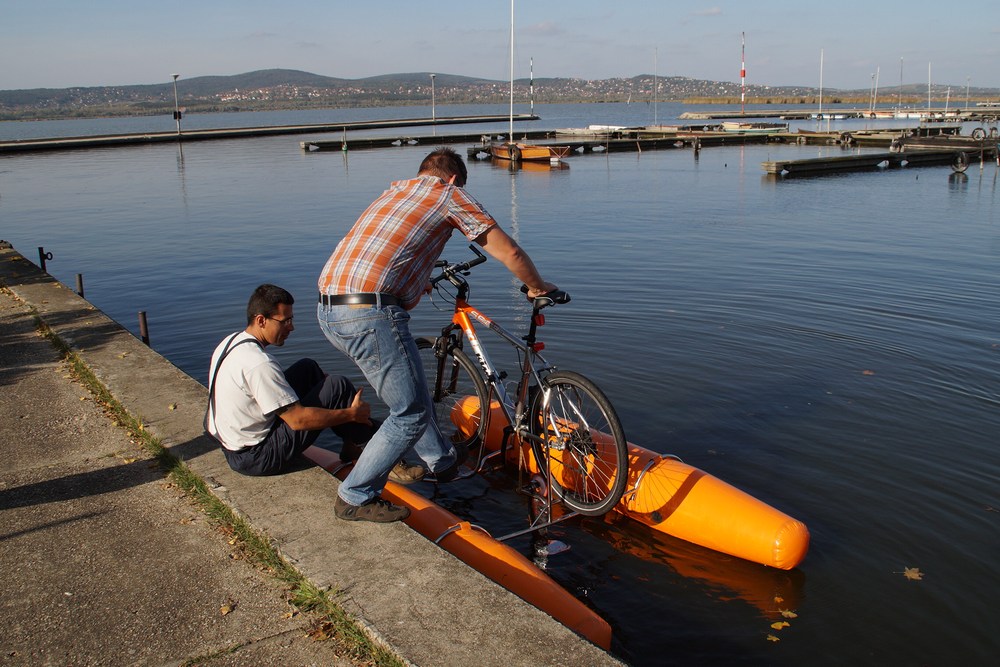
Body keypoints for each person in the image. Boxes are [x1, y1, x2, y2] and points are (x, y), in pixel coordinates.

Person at [317, 147, 557, 523]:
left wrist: (413, 286)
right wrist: (537, 287)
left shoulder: (394, 191)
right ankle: (355, 495)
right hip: (368, 313)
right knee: (409, 412)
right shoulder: (449, 194)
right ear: (454, 179)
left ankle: (441, 461)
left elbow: (393, 253)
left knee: (408, 391)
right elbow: (507, 250)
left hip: (329, 310)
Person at [206, 284, 383, 487]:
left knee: (308, 368)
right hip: (255, 457)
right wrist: (351, 415)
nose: (291, 327)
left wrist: (319, 387)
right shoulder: (259, 363)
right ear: (261, 320)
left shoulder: (230, 342)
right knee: (337, 386)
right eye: (285, 321)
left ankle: (355, 442)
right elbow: (298, 421)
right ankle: (371, 448)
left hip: (231, 445)